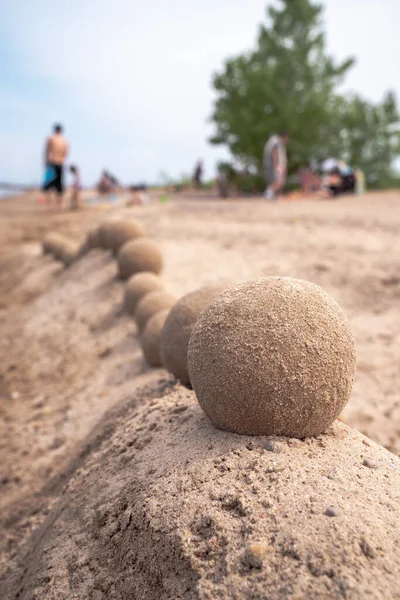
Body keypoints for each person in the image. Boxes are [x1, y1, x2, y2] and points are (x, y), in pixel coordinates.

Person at [40, 124, 69, 208]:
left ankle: (49, 205)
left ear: (54, 130)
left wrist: (46, 161)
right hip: (61, 163)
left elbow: (47, 151)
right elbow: (66, 153)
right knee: (59, 185)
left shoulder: (51, 138)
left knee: (48, 185)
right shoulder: (64, 140)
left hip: (52, 162)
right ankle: (58, 205)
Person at [263, 132, 289, 200]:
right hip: (274, 165)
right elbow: (275, 153)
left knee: (276, 181)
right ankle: (268, 193)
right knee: (278, 181)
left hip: (270, 165)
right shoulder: (276, 142)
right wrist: (277, 165)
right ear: (284, 136)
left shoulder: (273, 141)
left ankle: (270, 194)